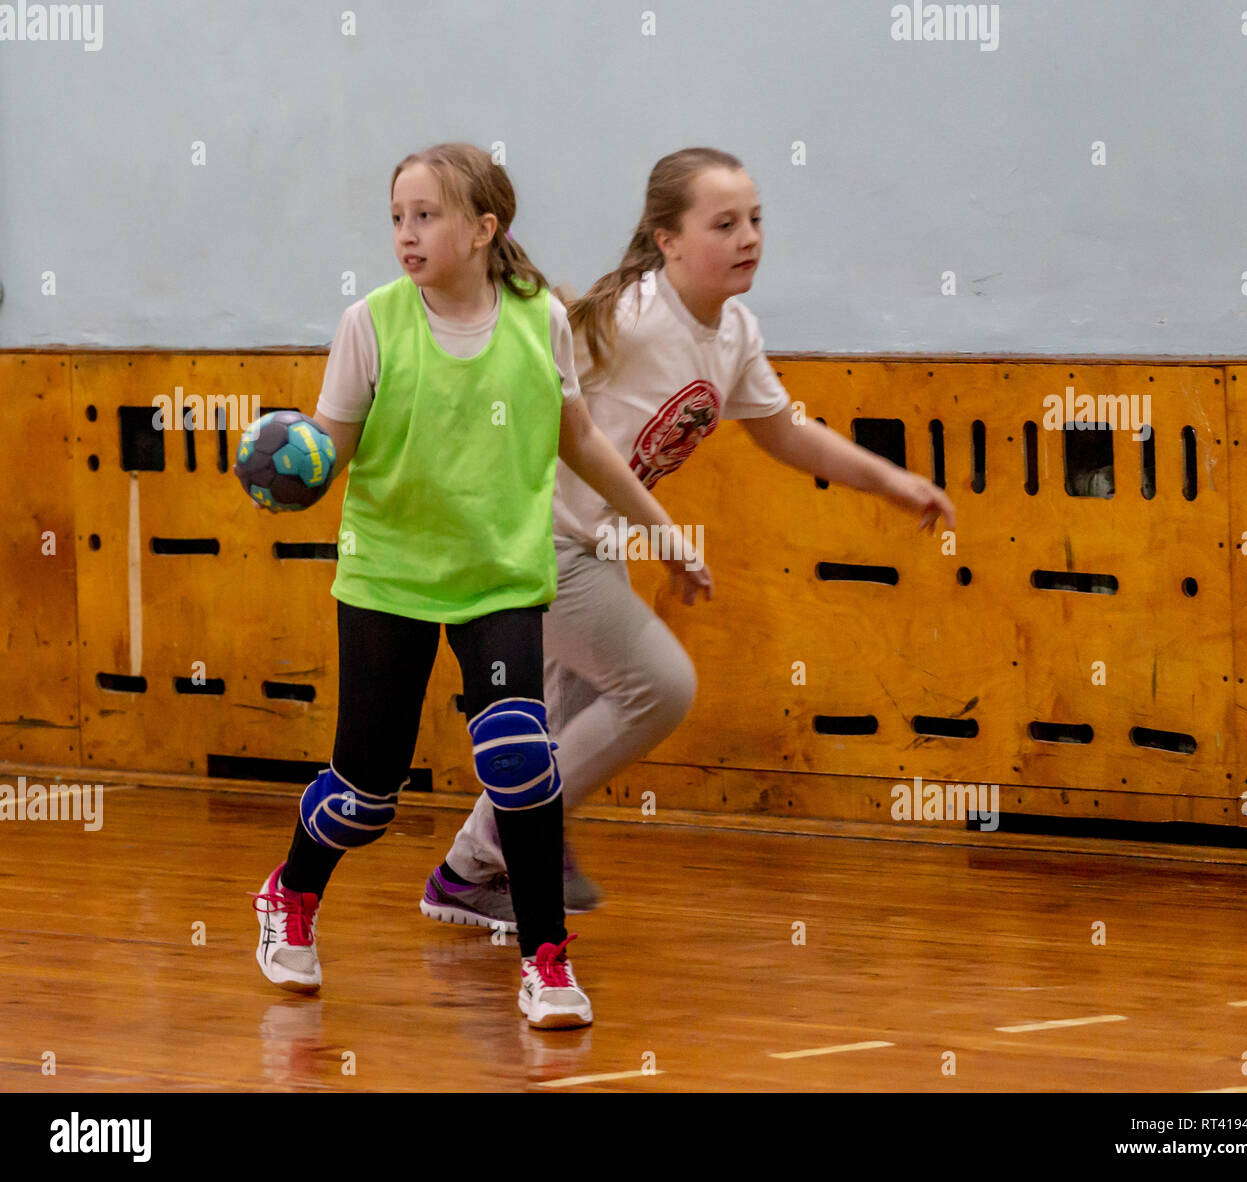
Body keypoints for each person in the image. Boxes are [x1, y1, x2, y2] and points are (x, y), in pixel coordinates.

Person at [432, 147, 957, 931]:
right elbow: (516, 383)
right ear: (668, 239)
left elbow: (785, 434)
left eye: (755, 220)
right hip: (530, 536)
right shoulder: (633, 320)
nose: (749, 237)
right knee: (660, 687)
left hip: (592, 546)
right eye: (724, 224)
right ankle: (483, 855)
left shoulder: (733, 330)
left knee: (561, 716)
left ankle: (483, 865)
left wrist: (891, 481)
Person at [249, 142, 705, 1030]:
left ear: (484, 229)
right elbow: (329, 450)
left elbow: (579, 440)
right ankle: (290, 891)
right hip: (390, 578)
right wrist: (294, 469)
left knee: (518, 758)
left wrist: (661, 528)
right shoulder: (371, 323)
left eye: (427, 217)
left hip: (501, 574)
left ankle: (545, 960)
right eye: (397, 218)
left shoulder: (541, 320)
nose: (407, 235)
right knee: (365, 792)